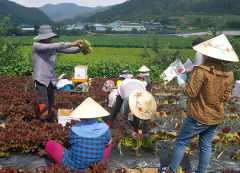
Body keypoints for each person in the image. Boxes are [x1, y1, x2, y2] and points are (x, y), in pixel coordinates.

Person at [160, 34, 239, 173]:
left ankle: (171, 170)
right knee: (206, 145)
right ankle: (201, 171)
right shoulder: (229, 73)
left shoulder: (201, 71)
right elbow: (226, 97)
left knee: (181, 142)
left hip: (198, 115)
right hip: (216, 116)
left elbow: (190, 92)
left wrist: (181, 81)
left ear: (207, 54)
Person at [45, 97, 112, 172]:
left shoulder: (75, 128)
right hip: (95, 166)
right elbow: (107, 143)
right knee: (108, 143)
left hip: (73, 166)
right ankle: (100, 163)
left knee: (49, 144)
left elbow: (70, 142)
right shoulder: (105, 128)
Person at [32, 25, 83, 123]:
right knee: (43, 101)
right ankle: (43, 122)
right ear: (43, 38)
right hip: (40, 78)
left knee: (51, 101)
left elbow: (66, 50)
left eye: (50, 37)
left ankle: (50, 120)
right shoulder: (37, 45)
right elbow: (54, 46)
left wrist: (79, 49)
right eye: (47, 37)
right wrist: (71, 43)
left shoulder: (52, 46)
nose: (49, 39)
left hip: (50, 78)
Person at [178, 37, 204, 110]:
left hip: (195, 78)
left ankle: (182, 110)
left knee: (185, 94)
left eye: (193, 47)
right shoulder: (205, 54)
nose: (193, 49)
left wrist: (187, 71)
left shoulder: (199, 54)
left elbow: (196, 69)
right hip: (201, 79)